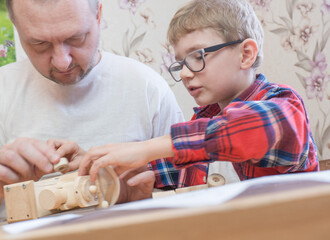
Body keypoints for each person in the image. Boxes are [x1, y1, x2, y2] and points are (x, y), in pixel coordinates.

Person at [60, 0, 319, 184]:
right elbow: (162, 168)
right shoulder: (202, 125)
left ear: (245, 54)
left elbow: (243, 130)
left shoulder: (284, 108)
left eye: (197, 56)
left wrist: (149, 147)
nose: (184, 73)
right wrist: (100, 163)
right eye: (181, 62)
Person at [0, 0, 185, 203]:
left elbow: (189, 199)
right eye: (39, 44)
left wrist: (141, 197)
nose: (63, 62)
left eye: (76, 38)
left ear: (98, 15)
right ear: (16, 26)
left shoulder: (148, 88)